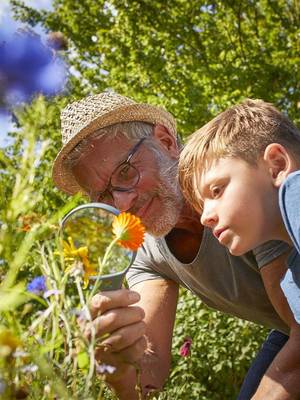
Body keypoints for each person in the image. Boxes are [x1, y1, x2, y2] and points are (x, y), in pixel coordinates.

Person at [53, 92, 292, 400]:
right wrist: (119, 366)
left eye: (125, 172)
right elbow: (148, 372)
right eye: (104, 197)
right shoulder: (144, 250)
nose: (122, 203)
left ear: (166, 141)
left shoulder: (236, 176)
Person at [179, 98, 300, 398]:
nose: (206, 215)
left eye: (216, 191)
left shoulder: (296, 192)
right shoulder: (292, 276)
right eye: (201, 204)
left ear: (276, 166)